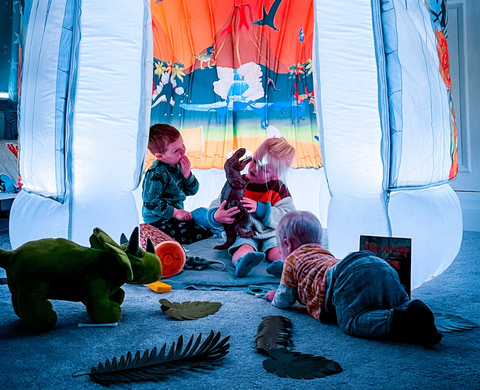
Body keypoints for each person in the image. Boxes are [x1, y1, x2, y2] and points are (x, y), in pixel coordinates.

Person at [265, 210, 442, 345]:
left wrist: (274, 297)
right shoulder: (324, 254)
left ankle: (400, 322)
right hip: (378, 262)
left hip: (345, 276)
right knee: (393, 301)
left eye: (281, 251)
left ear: (287, 244)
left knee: (352, 321)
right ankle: (413, 308)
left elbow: (284, 298)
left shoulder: (292, 261)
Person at [201, 137, 296, 278]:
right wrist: (216, 216)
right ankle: (242, 262)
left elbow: (288, 217)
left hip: (270, 233)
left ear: (275, 175)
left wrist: (262, 209)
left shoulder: (279, 190)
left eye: (263, 168)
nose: (255, 168)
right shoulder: (237, 183)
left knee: (277, 249)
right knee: (244, 248)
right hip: (243, 232)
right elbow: (219, 203)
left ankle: (282, 266)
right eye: (255, 161)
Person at [142, 124, 213, 245]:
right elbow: (150, 202)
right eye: (176, 150)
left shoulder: (177, 164)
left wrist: (187, 175)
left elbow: (192, 191)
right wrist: (175, 212)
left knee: (202, 219)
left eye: (182, 144)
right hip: (158, 220)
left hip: (175, 217)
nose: (183, 151)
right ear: (160, 156)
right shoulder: (156, 173)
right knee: (188, 233)